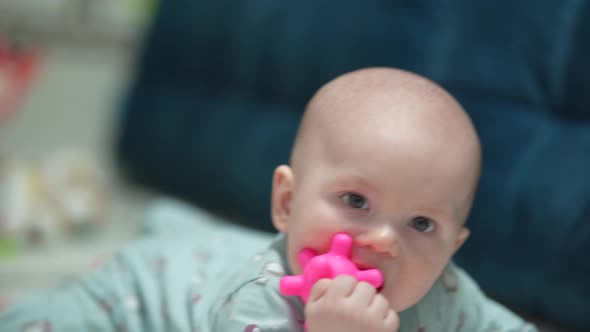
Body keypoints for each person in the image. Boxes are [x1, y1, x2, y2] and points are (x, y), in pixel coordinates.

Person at [0, 68, 537, 331]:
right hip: (133, 296)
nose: (383, 240)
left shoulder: (445, 293)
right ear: (286, 201)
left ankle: (178, 228)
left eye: (422, 224)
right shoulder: (260, 301)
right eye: (355, 199)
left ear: (453, 246)